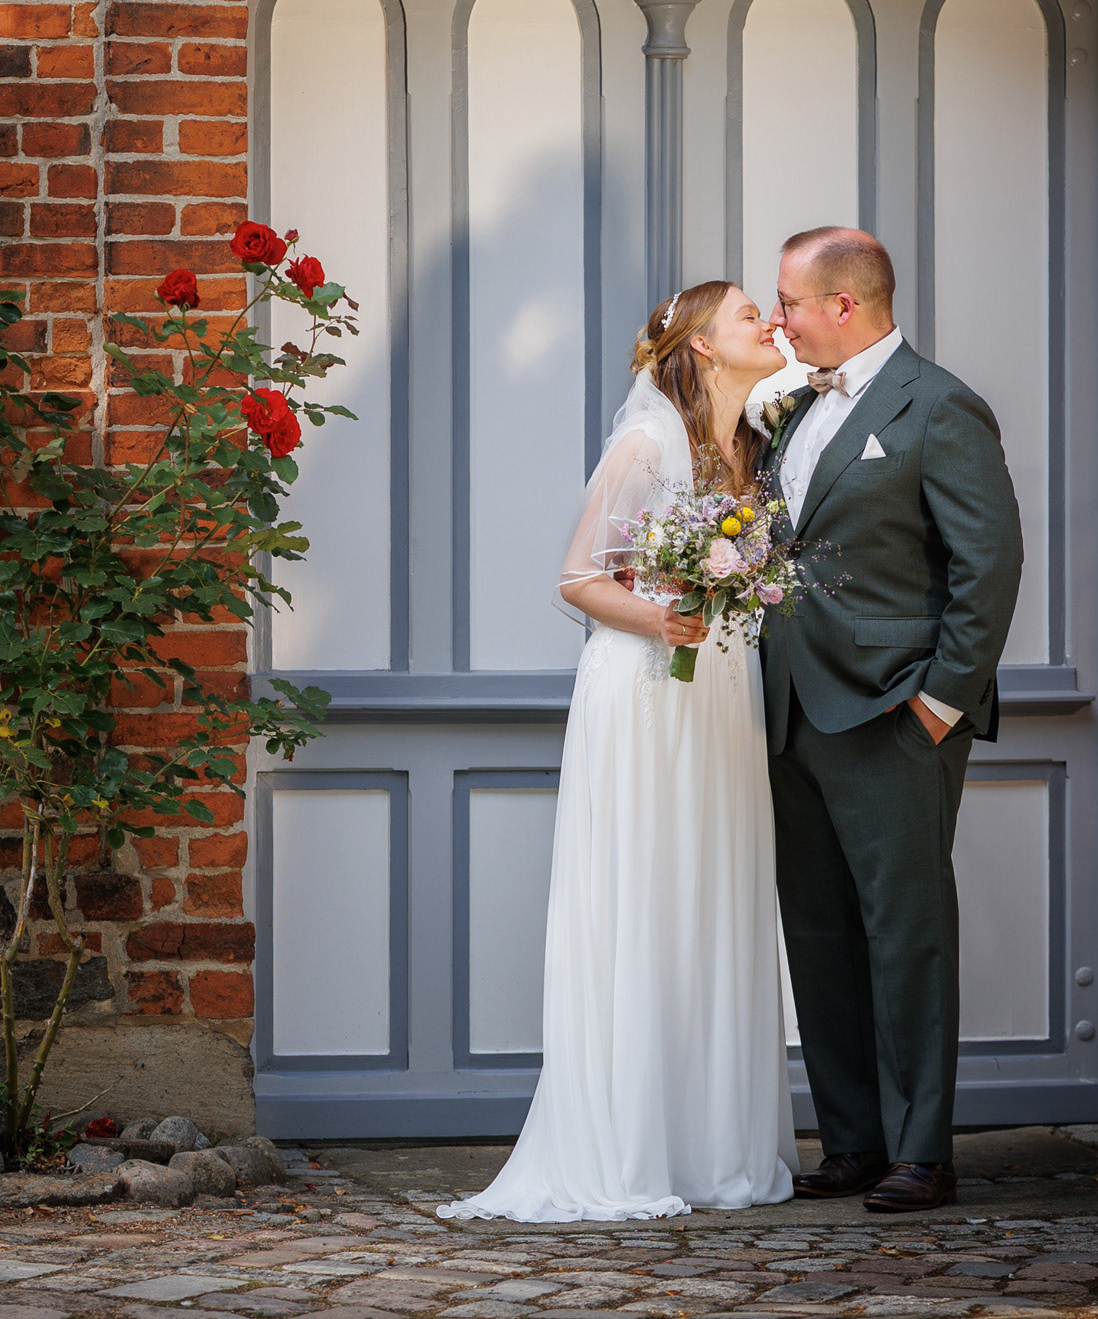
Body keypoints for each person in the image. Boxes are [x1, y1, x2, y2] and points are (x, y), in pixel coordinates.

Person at [437, 281, 800, 1222]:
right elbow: (577, 578)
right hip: (645, 688)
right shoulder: (646, 444)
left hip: (724, 691)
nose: (769, 323)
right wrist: (661, 618)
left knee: (714, 893)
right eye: (749, 314)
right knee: (645, 891)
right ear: (703, 346)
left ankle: (710, 1147)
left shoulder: (757, 446)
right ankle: (626, 1147)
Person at [762, 226, 1022, 1213]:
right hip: (789, 710)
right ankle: (853, 1142)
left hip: (892, 710)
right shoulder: (792, 406)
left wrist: (939, 700)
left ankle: (922, 1150)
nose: (778, 320)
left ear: (843, 304)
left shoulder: (938, 404)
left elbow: (986, 562)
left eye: (788, 302)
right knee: (818, 930)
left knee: (904, 931)